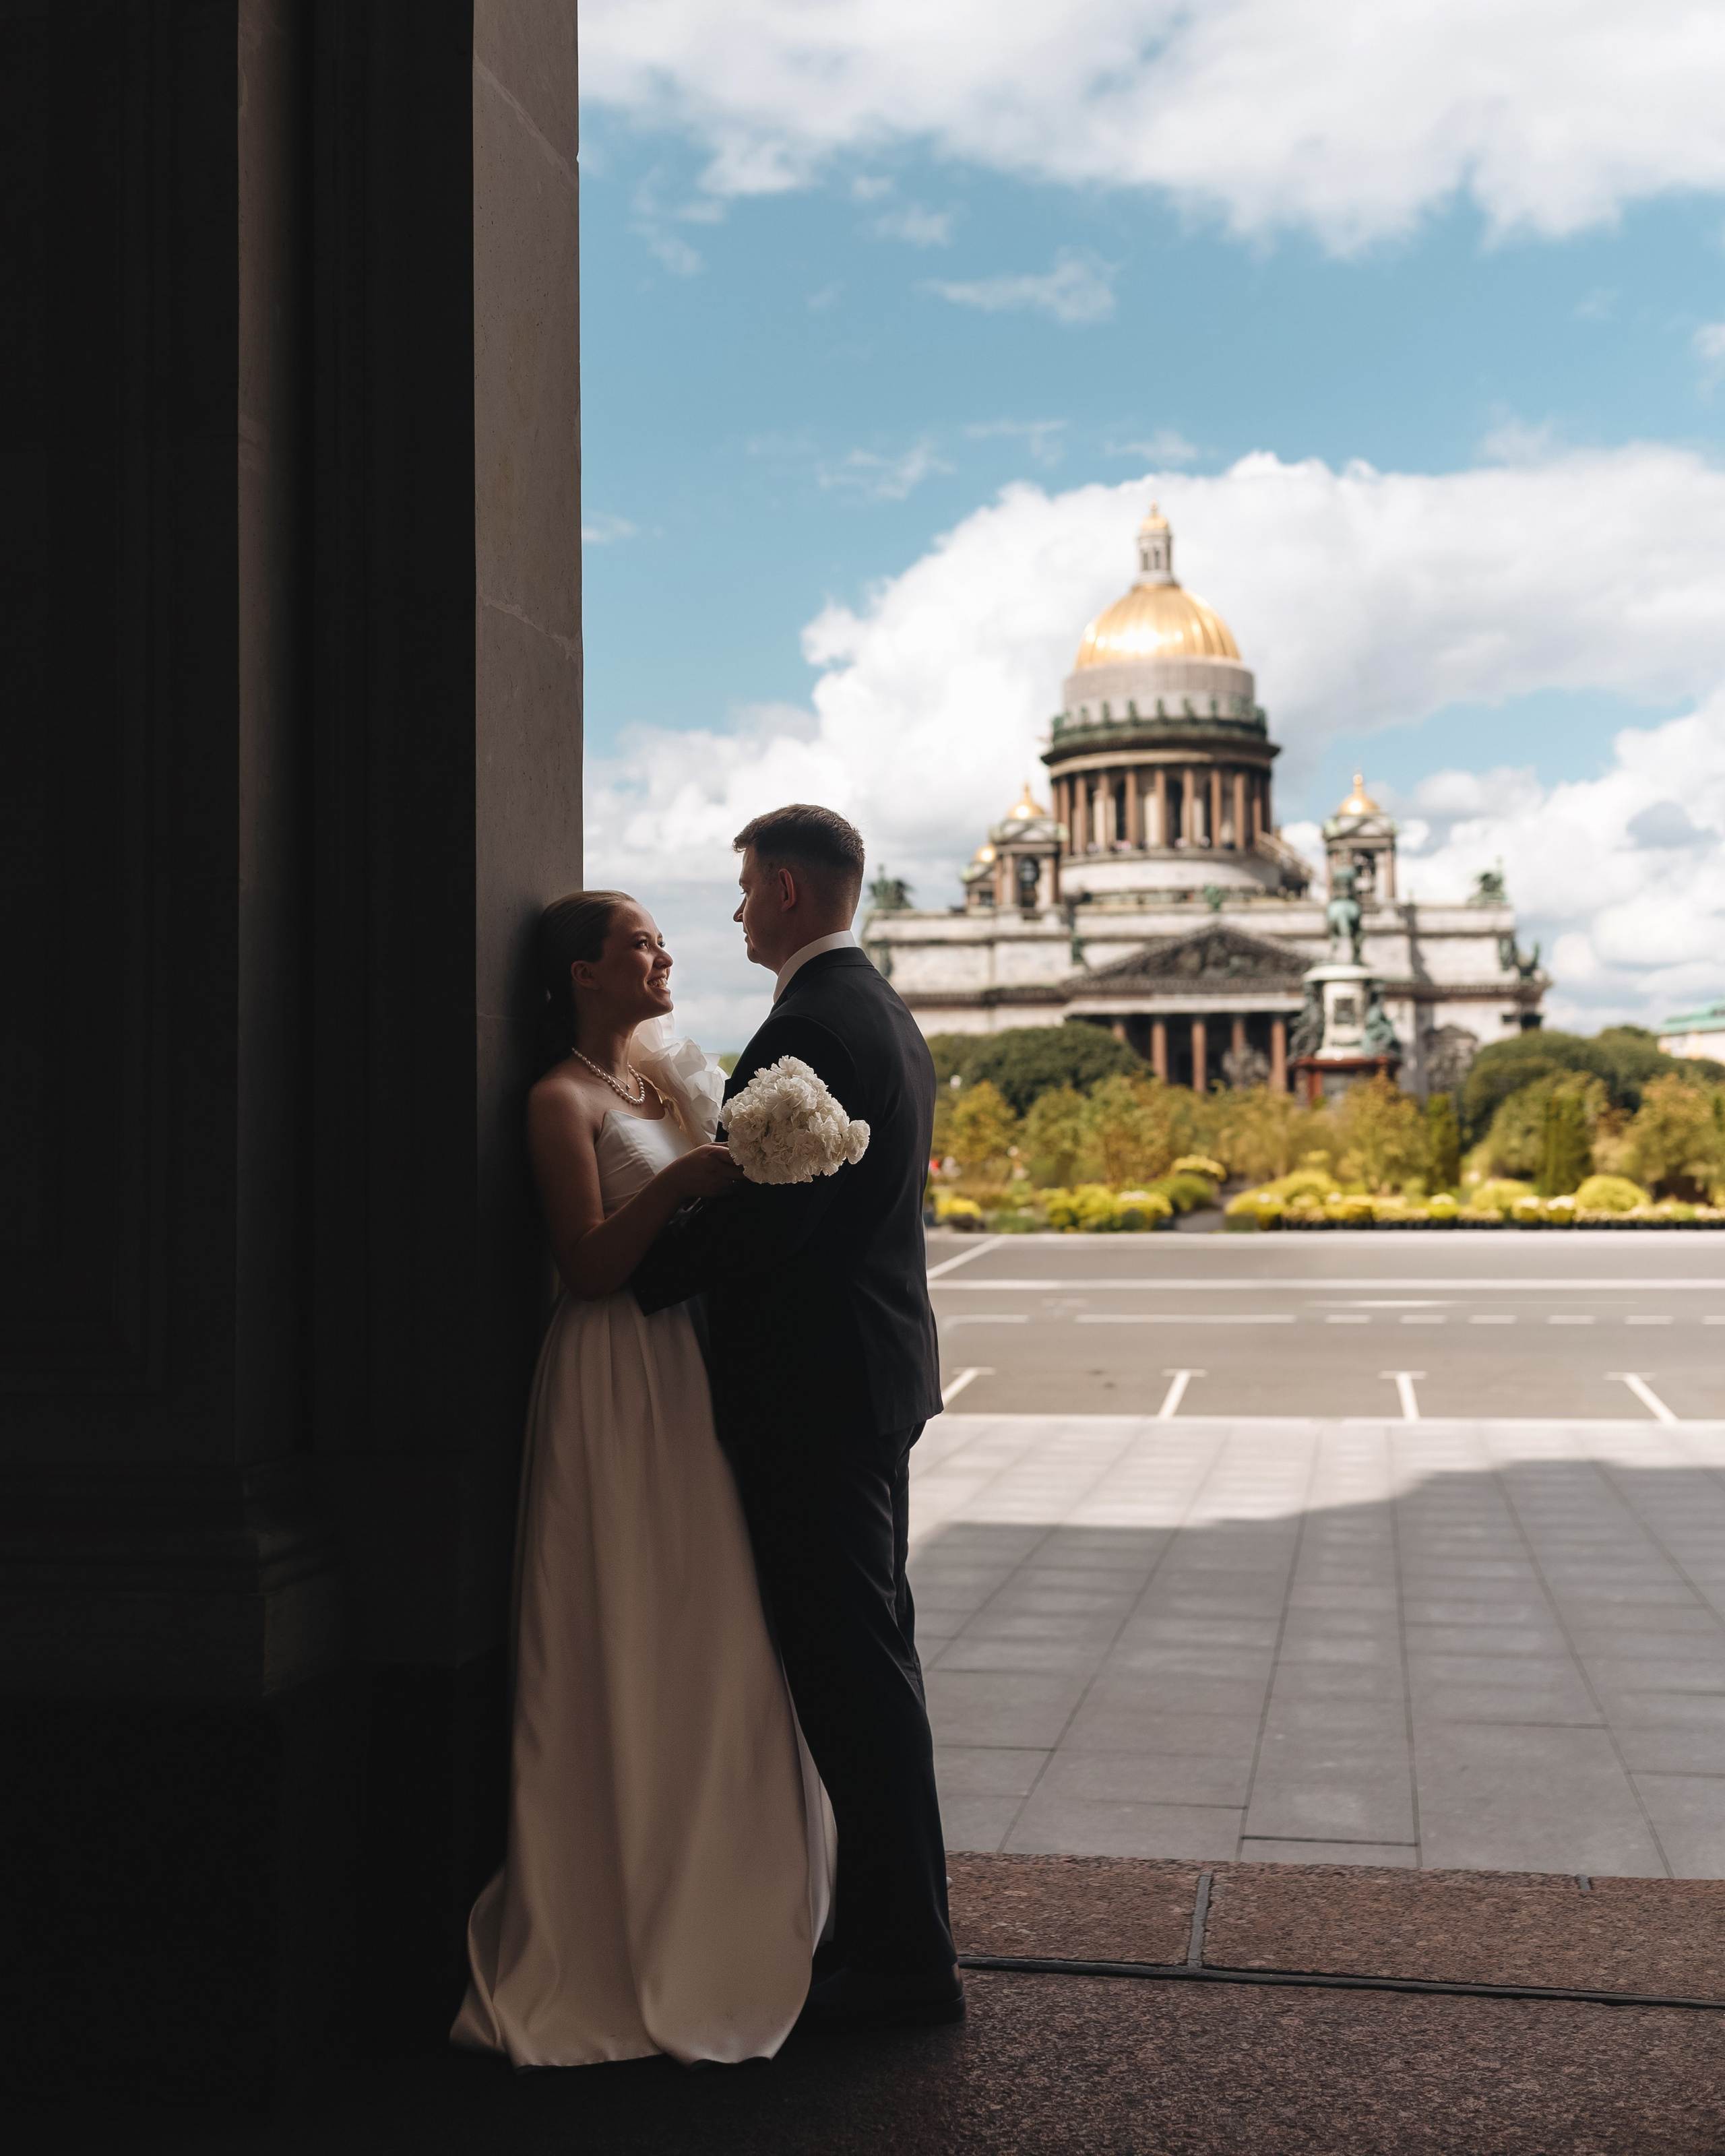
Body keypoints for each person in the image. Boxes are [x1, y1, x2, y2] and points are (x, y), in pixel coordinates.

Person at [452, 891, 835, 2068]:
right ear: (580, 973)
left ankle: (723, 1891)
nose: (665, 955)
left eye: (662, 941)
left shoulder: (661, 1090)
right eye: (639, 944)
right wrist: (680, 1186)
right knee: (621, 1622)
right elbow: (588, 1267)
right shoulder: (555, 1100)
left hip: (687, 1370)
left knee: (711, 1629)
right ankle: (608, 1920)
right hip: (612, 1377)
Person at [631, 804, 961, 2032]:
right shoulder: (878, 1007)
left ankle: (902, 1960)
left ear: (778, 888)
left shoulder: (817, 1020)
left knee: (851, 1672)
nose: (732, 914)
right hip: (872, 1378)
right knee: (874, 1660)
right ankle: (892, 1932)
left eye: (740, 890)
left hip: (818, 1391)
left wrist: (638, 1267)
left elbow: (781, 1222)